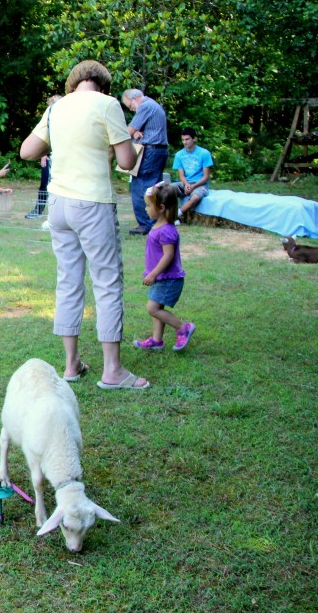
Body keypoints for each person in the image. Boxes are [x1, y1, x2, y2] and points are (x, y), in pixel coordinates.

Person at [20, 60, 149, 390]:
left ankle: (71, 364)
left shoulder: (57, 108)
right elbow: (125, 161)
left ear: (74, 83)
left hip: (59, 205)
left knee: (68, 281)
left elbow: (27, 152)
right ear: (104, 85)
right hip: (92, 203)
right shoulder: (107, 105)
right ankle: (113, 371)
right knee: (106, 281)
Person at [133, 182, 196, 351]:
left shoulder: (167, 230)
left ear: (161, 207)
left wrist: (153, 274)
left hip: (169, 279)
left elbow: (168, 256)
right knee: (158, 307)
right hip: (162, 278)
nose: (145, 209)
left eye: (148, 205)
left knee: (153, 308)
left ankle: (183, 327)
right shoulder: (159, 226)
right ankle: (156, 340)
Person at [121, 88, 168, 235]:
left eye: (130, 106)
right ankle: (157, 221)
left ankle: (145, 224)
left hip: (150, 152)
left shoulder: (145, 106)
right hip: (159, 151)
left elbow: (127, 131)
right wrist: (135, 131)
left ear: (135, 99)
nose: (132, 109)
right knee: (155, 187)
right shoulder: (154, 105)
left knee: (141, 186)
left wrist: (132, 131)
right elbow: (135, 129)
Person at [25, 94, 62, 220]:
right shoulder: (49, 118)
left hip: (63, 158)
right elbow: (45, 139)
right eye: (51, 103)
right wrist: (43, 155)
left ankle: (56, 214)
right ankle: (38, 210)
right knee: (44, 184)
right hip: (50, 157)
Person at [171, 127, 213, 221]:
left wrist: (193, 186)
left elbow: (206, 176)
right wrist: (186, 184)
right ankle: (165, 214)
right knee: (167, 190)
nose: (185, 142)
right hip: (185, 183)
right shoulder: (179, 154)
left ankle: (176, 215)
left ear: (194, 138)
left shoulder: (204, 153)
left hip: (200, 184)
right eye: (183, 140)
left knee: (195, 197)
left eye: (187, 139)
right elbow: (181, 175)